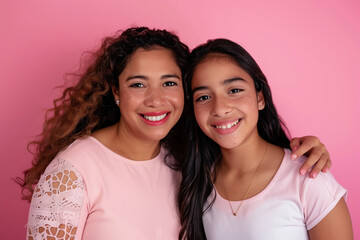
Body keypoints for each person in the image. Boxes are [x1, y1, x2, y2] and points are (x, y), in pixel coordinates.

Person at [17, 27, 332, 240]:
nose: (156, 99)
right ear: (115, 92)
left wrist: (302, 149)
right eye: (138, 84)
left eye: (169, 83)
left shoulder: (184, 164)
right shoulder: (73, 172)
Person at [178, 38, 353, 240]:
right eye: (204, 97)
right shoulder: (195, 183)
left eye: (234, 91)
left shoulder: (309, 179)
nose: (220, 108)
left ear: (260, 98)